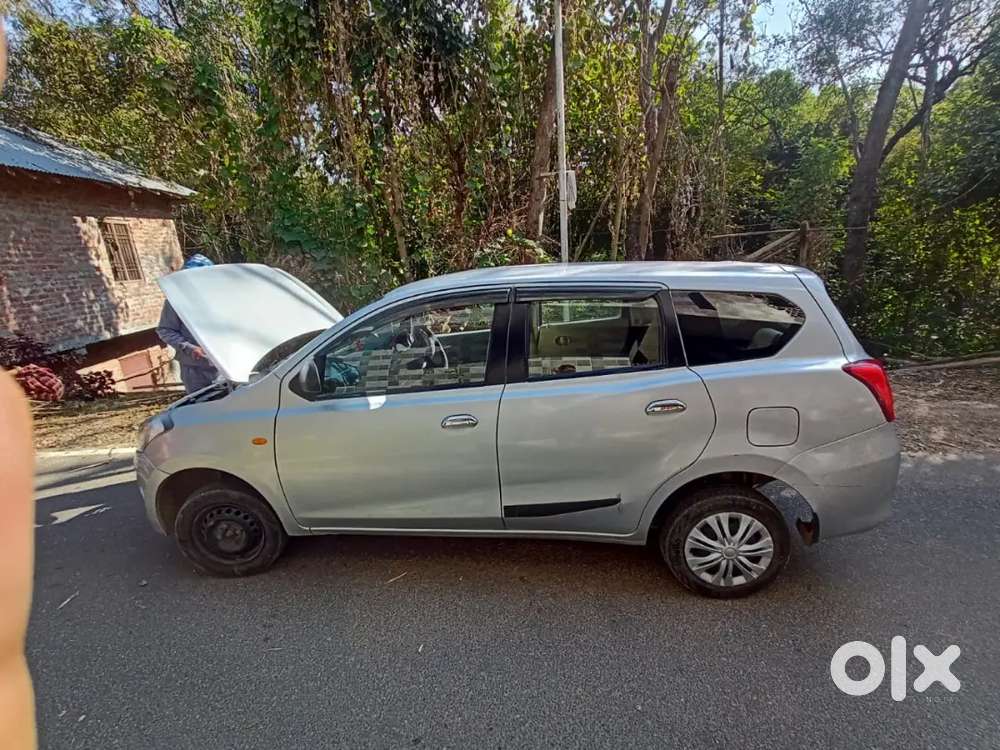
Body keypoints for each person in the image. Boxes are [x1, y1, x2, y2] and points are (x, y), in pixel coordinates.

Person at [156, 254, 219, 393]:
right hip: (194, 370)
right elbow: (165, 330)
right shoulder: (176, 301)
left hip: (224, 367)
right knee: (202, 409)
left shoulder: (220, 298)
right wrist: (189, 348)